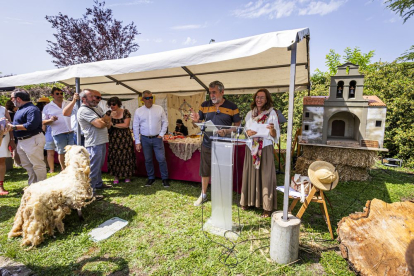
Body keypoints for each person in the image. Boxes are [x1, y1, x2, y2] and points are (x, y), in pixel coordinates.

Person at [190, 80, 241, 206]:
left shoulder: (232, 107)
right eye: (210, 92)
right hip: (207, 143)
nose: (212, 95)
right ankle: (203, 194)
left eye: (214, 92)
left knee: (222, 170)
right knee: (205, 170)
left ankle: (222, 195)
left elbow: (238, 127)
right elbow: (199, 124)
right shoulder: (204, 105)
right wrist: (195, 121)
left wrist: (227, 131)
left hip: (224, 144)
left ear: (222, 92)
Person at [240, 88, 280, 218]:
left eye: (262, 97)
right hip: (251, 146)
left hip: (265, 147)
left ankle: (267, 207)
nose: (259, 99)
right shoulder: (249, 113)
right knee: (250, 174)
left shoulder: (272, 113)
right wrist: (248, 133)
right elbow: (245, 130)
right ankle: (248, 201)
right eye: (257, 97)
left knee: (265, 175)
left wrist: (272, 130)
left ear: (267, 99)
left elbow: (276, 135)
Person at [77, 89, 112, 199]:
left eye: (96, 97)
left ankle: (98, 184)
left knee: (99, 165)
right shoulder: (83, 110)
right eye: (92, 96)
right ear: (84, 99)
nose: (95, 99)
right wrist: (103, 121)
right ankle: (89, 192)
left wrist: (103, 121)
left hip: (101, 140)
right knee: (93, 167)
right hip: (94, 142)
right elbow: (100, 124)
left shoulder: (96, 108)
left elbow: (109, 122)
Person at [8, 89, 47, 185]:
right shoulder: (21, 109)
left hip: (32, 139)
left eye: (12, 98)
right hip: (22, 141)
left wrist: (13, 127)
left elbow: (31, 125)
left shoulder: (32, 109)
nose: (11, 101)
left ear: (18, 98)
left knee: (38, 165)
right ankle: (32, 186)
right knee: (27, 165)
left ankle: (42, 188)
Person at [133, 90, 170, 187]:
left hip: (157, 138)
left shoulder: (159, 108)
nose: (149, 100)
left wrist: (161, 134)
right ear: (142, 99)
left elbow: (165, 122)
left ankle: (165, 178)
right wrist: (137, 141)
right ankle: (151, 178)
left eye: (151, 97)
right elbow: (135, 127)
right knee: (148, 159)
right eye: (147, 98)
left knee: (161, 159)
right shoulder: (138, 111)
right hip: (144, 139)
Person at [42, 87, 74, 170]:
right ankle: (64, 170)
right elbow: (43, 122)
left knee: (72, 152)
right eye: (57, 93)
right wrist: (51, 120)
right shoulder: (47, 107)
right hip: (58, 133)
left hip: (72, 131)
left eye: (61, 93)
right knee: (62, 152)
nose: (60, 95)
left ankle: (71, 169)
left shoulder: (69, 103)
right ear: (52, 95)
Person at [105, 97, 135, 184]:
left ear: (118, 104)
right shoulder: (108, 113)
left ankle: (127, 176)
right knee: (115, 156)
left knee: (126, 155)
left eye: (114, 104)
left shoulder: (126, 112)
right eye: (110, 104)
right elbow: (107, 125)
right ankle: (116, 176)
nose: (112, 106)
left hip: (125, 137)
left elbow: (126, 125)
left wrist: (113, 124)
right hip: (113, 138)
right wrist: (109, 121)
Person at [36, 97, 56, 173]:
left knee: (47, 151)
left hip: (45, 133)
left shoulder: (37, 111)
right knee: (50, 151)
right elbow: (43, 124)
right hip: (49, 131)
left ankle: (50, 168)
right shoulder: (47, 110)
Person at [0, 101, 16, 195]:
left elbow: (10, 124)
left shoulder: (3, 109)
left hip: (3, 137)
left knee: (1, 160)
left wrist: (12, 139)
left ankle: (0, 186)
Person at [5, 100, 20, 167]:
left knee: (14, 148)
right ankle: (17, 162)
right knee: (15, 148)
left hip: (10, 131)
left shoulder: (6, 112)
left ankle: (16, 162)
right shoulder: (12, 114)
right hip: (13, 130)